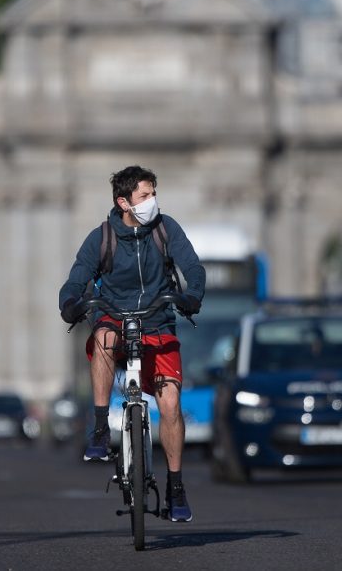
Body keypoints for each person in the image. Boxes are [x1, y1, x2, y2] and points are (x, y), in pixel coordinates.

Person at [58, 165, 205, 523]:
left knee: (170, 403)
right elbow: (76, 278)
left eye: (154, 194)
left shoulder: (166, 230)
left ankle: (176, 484)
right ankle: (97, 428)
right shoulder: (101, 238)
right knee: (104, 337)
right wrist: (70, 303)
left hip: (158, 322)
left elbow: (193, 268)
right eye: (144, 196)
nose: (152, 201)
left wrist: (191, 296)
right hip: (114, 318)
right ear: (123, 202)